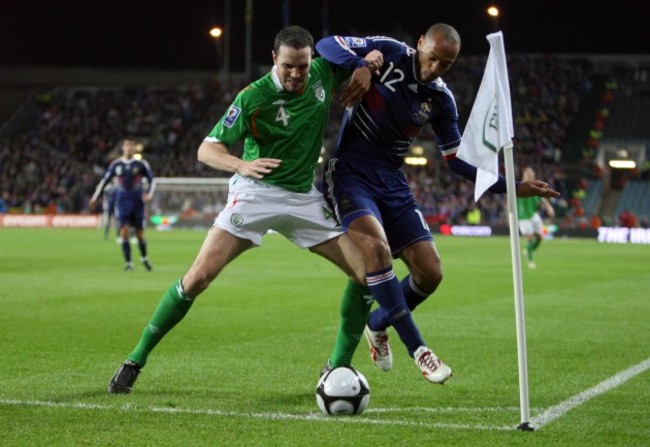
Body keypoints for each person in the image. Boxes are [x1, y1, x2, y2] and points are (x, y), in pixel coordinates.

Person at [106, 25, 386, 394]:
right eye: (288, 66)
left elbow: (369, 48)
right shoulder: (253, 96)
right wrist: (241, 165)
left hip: (303, 197)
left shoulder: (323, 71)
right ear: (274, 59)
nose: (296, 74)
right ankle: (135, 359)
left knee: (368, 275)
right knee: (198, 278)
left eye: (302, 66)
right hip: (256, 194)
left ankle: (337, 366)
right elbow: (207, 149)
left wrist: (366, 63)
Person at [316, 24, 560, 382]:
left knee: (431, 272)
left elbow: (456, 160)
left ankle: (378, 323)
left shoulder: (441, 100)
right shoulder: (389, 51)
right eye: (432, 58)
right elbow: (326, 43)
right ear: (419, 45)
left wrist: (512, 186)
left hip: (392, 180)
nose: (435, 69)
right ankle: (419, 349)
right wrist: (360, 64)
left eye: (445, 65)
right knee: (376, 250)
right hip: (350, 171)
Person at [90, 138, 155, 271]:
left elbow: (152, 180)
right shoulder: (116, 164)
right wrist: (95, 197)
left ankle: (144, 257)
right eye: (126, 146)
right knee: (124, 231)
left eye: (131, 146)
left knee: (139, 234)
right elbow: (104, 181)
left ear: (134, 148)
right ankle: (129, 263)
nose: (129, 148)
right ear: (123, 148)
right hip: (122, 200)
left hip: (137, 200)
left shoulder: (141, 164)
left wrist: (149, 194)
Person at [517, 168, 555, 268]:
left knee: (540, 238)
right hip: (523, 217)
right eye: (527, 175)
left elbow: (541, 199)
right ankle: (530, 261)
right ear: (524, 176)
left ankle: (528, 249)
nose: (528, 177)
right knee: (529, 238)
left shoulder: (535, 187)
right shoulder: (520, 186)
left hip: (533, 215)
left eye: (530, 175)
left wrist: (549, 207)